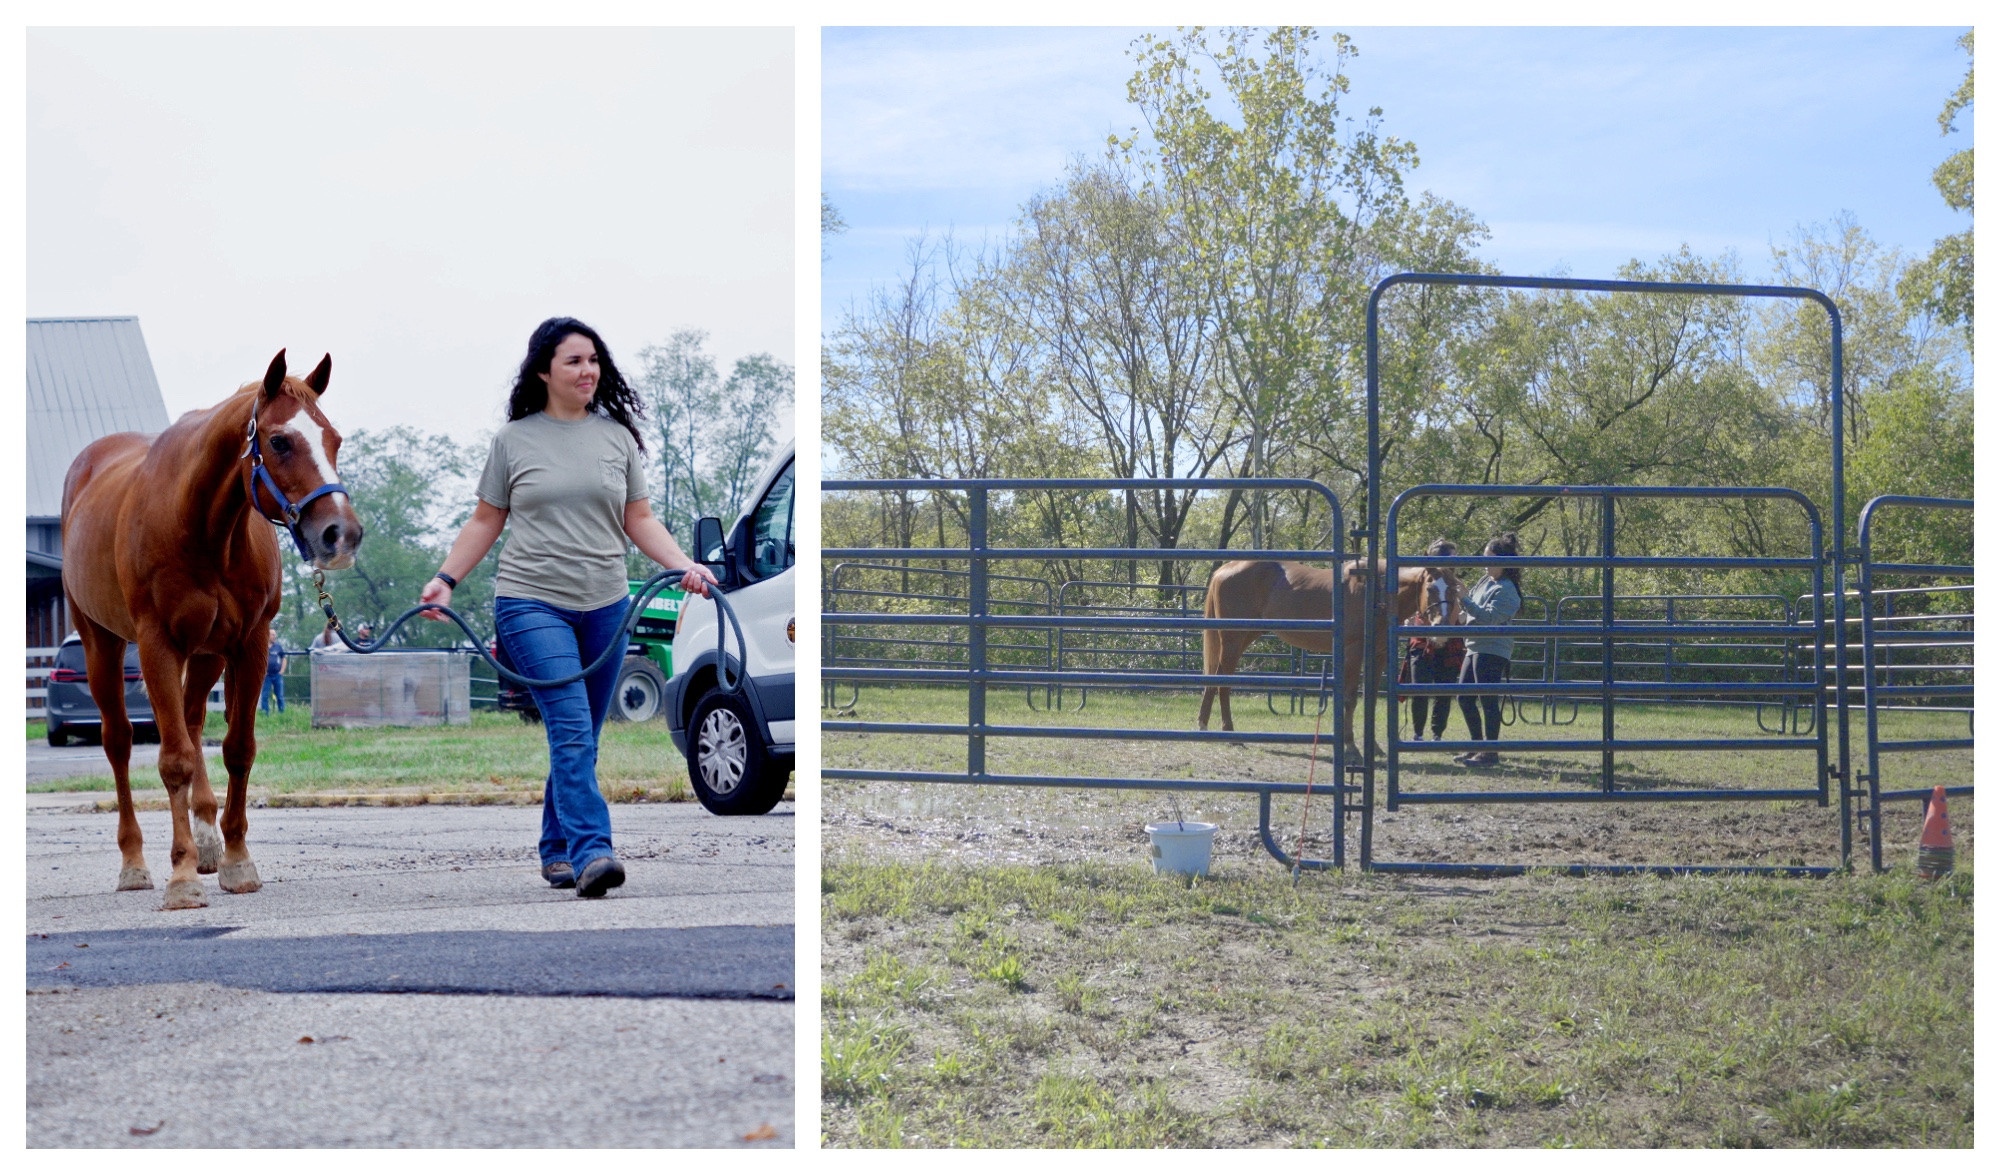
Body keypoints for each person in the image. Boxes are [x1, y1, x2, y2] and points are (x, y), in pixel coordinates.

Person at [419, 317, 716, 899]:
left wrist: (683, 565)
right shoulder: (514, 441)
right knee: (574, 730)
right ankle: (593, 852)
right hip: (530, 602)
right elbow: (486, 520)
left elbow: (639, 519)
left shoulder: (617, 439)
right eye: (574, 361)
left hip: (606, 604)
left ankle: (555, 849)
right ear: (543, 372)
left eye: (593, 360)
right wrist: (446, 578)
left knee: (581, 736)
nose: (588, 371)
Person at [1454, 533, 1524, 766]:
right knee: (1464, 697)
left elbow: (1488, 618)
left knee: (1487, 700)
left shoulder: (1506, 589)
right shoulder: (1485, 582)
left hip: (1492, 647)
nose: (1485, 564)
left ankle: (1490, 751)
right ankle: (1477, 747)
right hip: (1475, 645)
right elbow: (1471, 613)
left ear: (1503, 562)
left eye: (1489, 559)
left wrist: (1465, 600)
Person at [1401, 539, 1464, 742]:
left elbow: (1461, 610)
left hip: (1449, 637)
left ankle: (1437, 733)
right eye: (1450, 557)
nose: (1453, 562)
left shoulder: (1457, 585)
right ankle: (1418, 732)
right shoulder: (1420, 581)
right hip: (1422, 637)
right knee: (1419, 688)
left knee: (1444, 690)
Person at [261, 626, 288, 714]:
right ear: (267, 635)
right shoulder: (262, 646)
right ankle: (265, 714)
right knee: (265, 696)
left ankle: (282, 713)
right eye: (272, 634)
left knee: (279, 695)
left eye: (275, 634)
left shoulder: (278, 647)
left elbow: (283, 658)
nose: (274, 636)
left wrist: (282, 671)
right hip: (266, 676)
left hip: (277, 675)